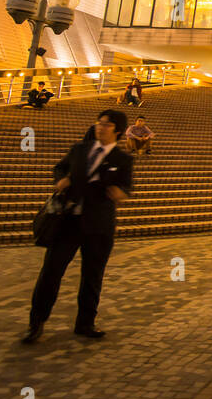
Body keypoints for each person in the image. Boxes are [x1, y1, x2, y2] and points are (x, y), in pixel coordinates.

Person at [23, 109, 133, 343]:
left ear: (118, 131)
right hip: (68, 222)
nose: (100, 127)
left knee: (92, 276)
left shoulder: (123, 160)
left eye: (106, 124)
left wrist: (120, 192)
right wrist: (60, 179)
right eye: (99, 122)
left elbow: (126, 186)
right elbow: (60, 168)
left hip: (99, 227)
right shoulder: (80, 149)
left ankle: (85, 323)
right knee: (51, 272)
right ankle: (36, 322)